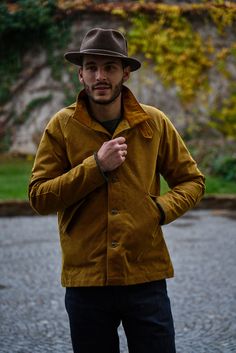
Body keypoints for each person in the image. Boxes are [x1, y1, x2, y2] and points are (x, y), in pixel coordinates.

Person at [29, 28, 205, 353]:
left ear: (125, 73)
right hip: (86, 281)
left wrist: (159, 210)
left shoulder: (154, 123)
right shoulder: (61, 126)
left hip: (145, 274)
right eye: (92, 67)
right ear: (80, 73)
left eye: (110, 67)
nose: (100, 76)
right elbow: (39, 196)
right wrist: (95, 166)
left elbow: (192, 181)